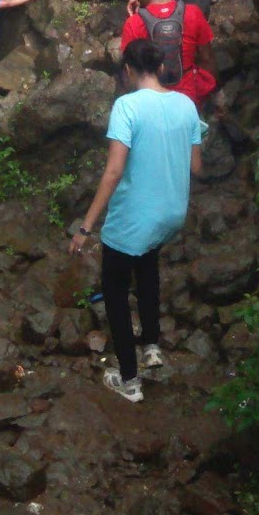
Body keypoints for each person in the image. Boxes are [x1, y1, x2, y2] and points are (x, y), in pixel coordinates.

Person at [69, 36, 204, 403]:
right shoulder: (186, 104)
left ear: (128, 70)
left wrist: (86, 226)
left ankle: (129, 381)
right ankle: (152, 345)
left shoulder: (126, 107)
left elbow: (113, 172)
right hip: (171, 213)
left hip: (134, 217)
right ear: (159, 68)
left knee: (114, 293)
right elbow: (195, 165)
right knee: (146, 265)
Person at [119, 0, 217, 107]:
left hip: (152, 104)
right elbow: (207, 59)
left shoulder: (134, 23)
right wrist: (200, 97)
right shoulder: (193, 13)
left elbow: (129, 72)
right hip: (188, 99)